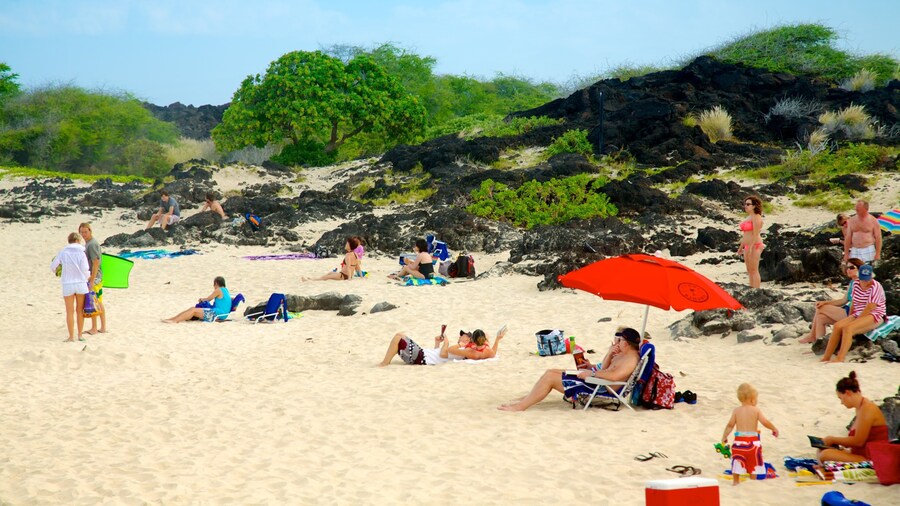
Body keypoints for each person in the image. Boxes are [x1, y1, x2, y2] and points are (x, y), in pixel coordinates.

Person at [498, 327, 642, 412]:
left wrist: (590, 373)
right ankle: (526, 399)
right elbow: (605, 369)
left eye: (620, 340)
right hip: (597, 382)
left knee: (550, 378)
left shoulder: (630, 359)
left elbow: (615, 376)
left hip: (600, 389)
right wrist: (609, 354)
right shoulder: (622, 354)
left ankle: (519, 407)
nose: (617, 342)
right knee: (550, 371)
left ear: (627, 343)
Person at [820, 263, 886, 362]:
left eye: (867, 279)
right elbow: (854, 303)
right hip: (858, 312)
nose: (864, 281)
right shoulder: (855, 284)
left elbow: (870, 308)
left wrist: (854, 322)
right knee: (838, 326)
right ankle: (826, 357)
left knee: (848, 328)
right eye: (862, 278)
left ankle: (840, 358)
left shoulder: (876, 286)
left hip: (874, 314)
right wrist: (850, 317)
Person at [818, 371, 888, 463]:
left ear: (847, 393)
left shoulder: (867, 408)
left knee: (825, 455)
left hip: (872, 457)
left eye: (841, 398)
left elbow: (858, 441)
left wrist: (832, 439)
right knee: (821, 451)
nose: (841, 402)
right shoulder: (860, 407)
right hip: (862, 452)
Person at [720, 383, 779, 485]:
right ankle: (753, 482)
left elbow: (730, 425)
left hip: (739, 443)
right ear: (752, 399)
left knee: (737, 463)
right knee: (754, 465)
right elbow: (765, 422)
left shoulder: (736, 411)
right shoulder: (756, 410)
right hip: (753, 444)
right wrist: (774, 429)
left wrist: (724, 436)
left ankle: (735, 482)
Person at [798, 258, 864, 344]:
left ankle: (812, 336)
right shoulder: (852, 282)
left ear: (859, 268)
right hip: (847, 310)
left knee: (821, 308)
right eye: (847, 268)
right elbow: (843, 301)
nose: (848, 270)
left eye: (852, 268)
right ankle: (818, 344)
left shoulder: (861, 282)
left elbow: (857, 304)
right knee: (821, 318)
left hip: (854, 313)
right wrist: (825, 302)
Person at [377, 326, 505, 366]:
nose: (460, 336)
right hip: (423, 354)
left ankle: (384, 363)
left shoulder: (463, 350)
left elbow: (444, 354)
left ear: (468, 339)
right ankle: (385, 362)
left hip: (421, 358)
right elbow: (439, 355)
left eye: (463, 335)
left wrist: (448, 342)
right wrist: (437, 343)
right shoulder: (466, 349)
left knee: (398, 337)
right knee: (399, 335)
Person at [50, 232, 91, 342]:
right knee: (79, 310)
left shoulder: (63, 252)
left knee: (69, 311)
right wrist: (89, 278)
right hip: (80, 284)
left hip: (67, 283)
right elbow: (85, 269)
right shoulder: (82, 252)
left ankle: (71, 337)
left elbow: (53, 266)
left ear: (69, 241)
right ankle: (80, 335)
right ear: (78, 241)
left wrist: (59, 271)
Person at [162, 276, 232, 323]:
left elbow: (208, 299)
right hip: (221, 314)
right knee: (192, 309)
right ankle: (172, 319)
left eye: (214, 284)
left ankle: (174, 320)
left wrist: (201, 299)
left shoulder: (218, 290)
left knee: (193, 310)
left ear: (216, 283)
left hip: (216, 315)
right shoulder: (226, 291)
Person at [79, 222, 107, 335]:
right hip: (95, 277)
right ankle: (100, 327)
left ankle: (96, 328)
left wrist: (92, 279)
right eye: (81, 232)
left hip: (95, 277)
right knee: (96, 301)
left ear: (90, 231)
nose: (83, 234)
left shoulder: (92, 244)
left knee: (95, 301)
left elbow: (96, 262)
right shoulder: (88, 244)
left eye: (85, 232)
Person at [738, 195, 764, 288]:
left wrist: (751, 247)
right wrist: (741, 248)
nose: (746, 206)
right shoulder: (749, 217)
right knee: (749, 270)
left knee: (754, 270)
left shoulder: (756, 217)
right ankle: (751, 289)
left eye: (748, 204)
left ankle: (756, 290)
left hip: (755, 245)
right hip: (747, 246)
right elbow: (745, 235)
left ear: (754, 206)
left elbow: (755, 233)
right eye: (745, 204)